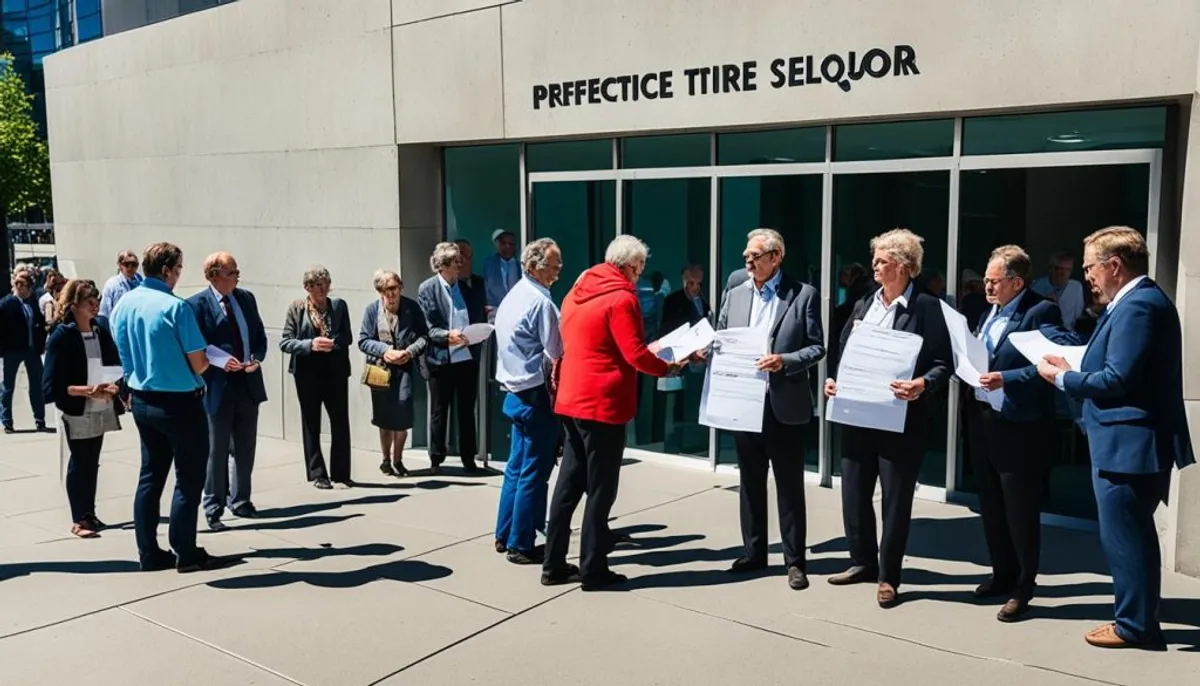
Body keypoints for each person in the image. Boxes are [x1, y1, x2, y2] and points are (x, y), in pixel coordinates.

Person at [1037, 226, 1194, 649]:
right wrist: (1074, 359)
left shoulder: (1139, 305)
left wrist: (1063, 376)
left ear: (1114, 266)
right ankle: (1141, 611)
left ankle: (1135, 626)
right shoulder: (1135, 302)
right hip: (1127, 441)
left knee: (1126, 537)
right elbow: (1117, 361)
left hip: (1129, 445)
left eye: (1090, 268)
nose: (1086, 276)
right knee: (1133, 534)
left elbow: (1118, 377)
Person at [542, 236, 681, 591]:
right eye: (639, 268)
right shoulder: (622, 297)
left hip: (571, 399)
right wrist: (667, 367)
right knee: (601, 489)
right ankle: (592, 568)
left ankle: (554, 564)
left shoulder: (576, 290)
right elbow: (634, 353)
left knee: (568, 486)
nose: (640, 275)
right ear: (628, 266)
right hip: (602, 403)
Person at [824, 228, 953, 608]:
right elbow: (843, 349)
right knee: (854, 494)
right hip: (857, 413)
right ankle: (861, 561)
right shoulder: (866, 302)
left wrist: (921, 384)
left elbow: (945, 364)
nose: (874, 266)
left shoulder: (928, 307)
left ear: (902, 265)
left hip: (901, 420)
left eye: (881, 260)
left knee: (895, 501)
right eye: (876, 259)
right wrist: (835, 380)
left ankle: (889, 575)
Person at [709, 229, 825, 590]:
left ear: (776, 257)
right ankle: (754, 552)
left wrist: (785, 360)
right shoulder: (735, 290)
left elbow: (817, 347)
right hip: (744, 402)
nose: (747, 262)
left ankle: (794, 561)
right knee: (750, 482)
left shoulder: (803, 294)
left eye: (755, 256)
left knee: (789, 487)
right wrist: (706, 349)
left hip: (782, 404)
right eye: (746, 256)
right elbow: (722, 334)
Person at [110, 242, 235, 572]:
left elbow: (120, 351)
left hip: (141, 399)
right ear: (165, 270)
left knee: (150, 477)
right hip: (179, 402)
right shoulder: (175, 308)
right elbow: (198, 364)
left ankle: (148, 552)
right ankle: (186, 551)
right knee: (189, 478)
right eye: (178, 269)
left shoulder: (124, 303)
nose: (180, 276)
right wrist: (214, 361)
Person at [970, 245, 1074, 622]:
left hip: (1021, 427)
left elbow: (1049, 363)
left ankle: (1023, 586)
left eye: (994, 281)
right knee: (992, 506)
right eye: (985, 280)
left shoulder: (1040, 310)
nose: (987, 287)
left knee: (1020, 511)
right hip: (985, 422)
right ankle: (1001, 574)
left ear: (1016, 281)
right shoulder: (989, 312)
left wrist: (1006, 378)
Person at [493, 238, 564, 565]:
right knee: (533, 472)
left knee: (516, 468)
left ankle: (504, 533)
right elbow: (556, 352)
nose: (558, 270)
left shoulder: (514, 295)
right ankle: (521, 543)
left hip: (514, 391)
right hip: (534, 395)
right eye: (554, 264)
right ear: (535, 266)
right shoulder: (541, 302)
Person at [187, 253, 268, 531]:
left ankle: (241, 500)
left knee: (245, 447)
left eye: (237, 271)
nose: (237, 276)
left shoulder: (246, 298)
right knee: (216, 449)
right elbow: (195, 345)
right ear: (214, 275)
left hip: (247, 382)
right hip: (217, 385)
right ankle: (213, 506)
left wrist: (257, 356)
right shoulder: (196, 305)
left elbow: (259, 334)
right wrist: (220, 362)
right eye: (232, 272)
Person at [41, 279, 123, 538]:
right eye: (90, 301)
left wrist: (114, 386)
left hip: (101, 405)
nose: (95, 305)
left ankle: (89, 513)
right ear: (74, 305)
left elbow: (114, 364)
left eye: (96, 300)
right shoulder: (62, 336)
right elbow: (51, 386)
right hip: (77, 407)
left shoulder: (100, 329)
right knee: (80, 460)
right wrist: (88, 390)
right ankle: (79, 519)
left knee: (92, 461)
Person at [280, 266, 353, 489]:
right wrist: (310, 344)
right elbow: (285, 341)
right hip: (307, 372)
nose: (323, 289)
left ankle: (341, 472)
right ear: (308, 288)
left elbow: (347, 335)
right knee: (311, 422)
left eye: (326, 284)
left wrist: (334, 343)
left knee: (340, 420)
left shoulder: (339, 306)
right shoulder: (297, 309)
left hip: (335, 370)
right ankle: (318, 473)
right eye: (318, 285)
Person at [417, 242, 487, 474]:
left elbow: (476, 315)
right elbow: (427, 327)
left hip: (466, 356)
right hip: (441, 358)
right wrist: (448, 336)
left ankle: (469, 458)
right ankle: (436, 458)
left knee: (467, 409)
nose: (460, 266)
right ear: (443, 265)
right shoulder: (427, 289)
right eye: (456, 262)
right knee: (439, 408)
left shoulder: (467, 287)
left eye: (461, 261)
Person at [359, 270, 429, 478]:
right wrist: (385, 351)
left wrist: (410, 352)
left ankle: (398, 459)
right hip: (381, 370)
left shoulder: (411, 308)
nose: (390, 294)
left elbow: (424, 336)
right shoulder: (372, 310)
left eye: (393, 288)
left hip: (405, 369)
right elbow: (363, 340)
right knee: (384, 419)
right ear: (379, 292)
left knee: (403, 416)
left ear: (400, 287)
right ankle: (386, 460)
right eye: (385, 290)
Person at [1, 266, 47, 433]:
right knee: (8, 386)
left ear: (29, 286)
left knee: (36, 385)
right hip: (12, 350)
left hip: (32, 350)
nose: (19, 286)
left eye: (23, 283)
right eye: (16, 283)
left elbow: (40, 326)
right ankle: (7, 421)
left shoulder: (33, 303)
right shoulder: (6, 304)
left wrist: (40, 345)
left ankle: (40, 419)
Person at [1031, 251, 1086, 332]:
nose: (1062, 273)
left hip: (1068, 333)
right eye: (1058, 268)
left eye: (1067, 269)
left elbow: (1078, 314)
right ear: (1050, 268)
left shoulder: (1076, 287)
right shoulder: (1037, 287)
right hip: (1043, 333)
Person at [660, 264, 711, 335]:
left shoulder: (705, 301)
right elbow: (666, 330)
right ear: (684, 282)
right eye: (691, 283)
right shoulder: (672, 302)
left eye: (699, 283)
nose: (696, 287)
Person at [98, 249, 144, 319]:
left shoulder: (141, 283)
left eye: (134, 264)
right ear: (119, 265)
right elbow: (104, 312)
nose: (130, 267)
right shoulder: (112, 284)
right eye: (127, 264)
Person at [483, 229, 520, 314]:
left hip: (516, 311)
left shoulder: (520, 265)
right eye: (504, 243)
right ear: (498, 245)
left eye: (511, 244)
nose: (507, 246)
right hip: (495, 312)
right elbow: (486, 287)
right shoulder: (489, 263)